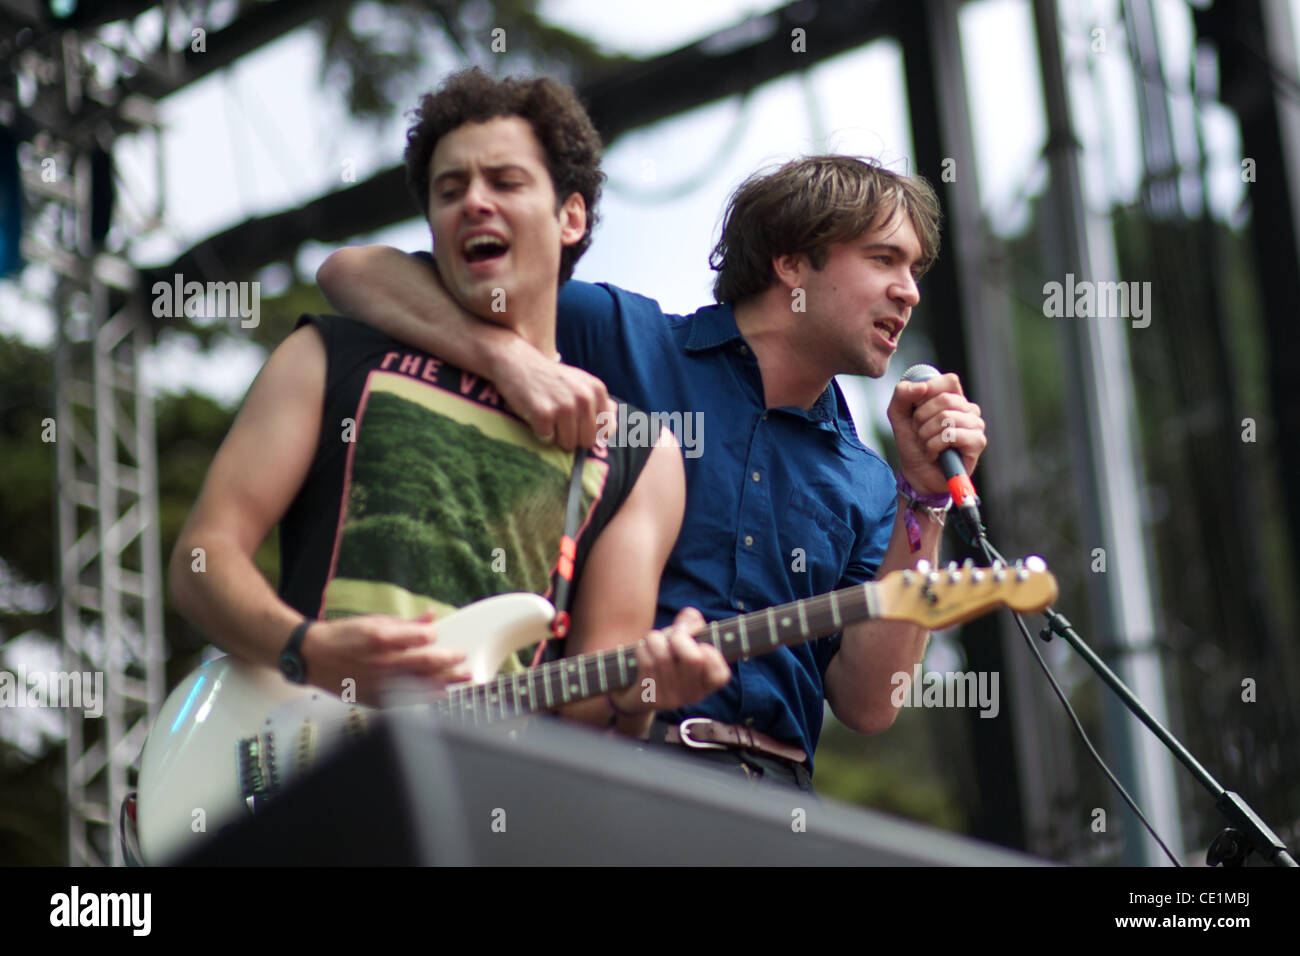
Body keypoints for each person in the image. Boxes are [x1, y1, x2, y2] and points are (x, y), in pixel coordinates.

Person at [317, 150, 987, 792]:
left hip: (781, 806)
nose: (910, 291)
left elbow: (870, 705)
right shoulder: (620, 335)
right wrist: (510, 360)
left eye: (916, 268)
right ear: (791, 263)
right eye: (884, 260)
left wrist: (925, 495)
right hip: (610, 774)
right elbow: (355, 273)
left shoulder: (872, 482)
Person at [168, 68, 730, 740]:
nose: (474, 202)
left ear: (571, 215)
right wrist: (309, 649)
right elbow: (202, 560)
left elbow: (592, 711)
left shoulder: (640, 452)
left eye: (506, 181)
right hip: (298, 775)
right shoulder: (329, 356)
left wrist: (641, 693)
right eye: (450, 189)